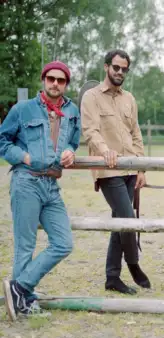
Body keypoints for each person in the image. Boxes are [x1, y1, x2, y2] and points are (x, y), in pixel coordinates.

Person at [0, 61, 80, 320]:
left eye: (61, 80)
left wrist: (70, 152)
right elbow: (3, 140)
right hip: (26, 182)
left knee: (63, 243)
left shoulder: (72, 111)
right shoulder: (23, 109)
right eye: (51, 79)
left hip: (51, 185)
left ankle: (19, 288)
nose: (55, 84)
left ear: (66, 84)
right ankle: (23, 303)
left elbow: (74, 141)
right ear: (43, 80)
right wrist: (23, 157)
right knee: (25, 246)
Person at [81, 49, 150, 295]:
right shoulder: (91, 97)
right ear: (106, 67)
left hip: (130, 169)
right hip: (107, 170)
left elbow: (136, 133)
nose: (120, 72)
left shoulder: (129, 98)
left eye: (124, 69)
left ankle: (112, 277)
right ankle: (133, 264)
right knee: (127, 219)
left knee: (119, 222)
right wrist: (104, 150)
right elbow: (90, 130)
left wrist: (142, 166)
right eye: (116, 67)